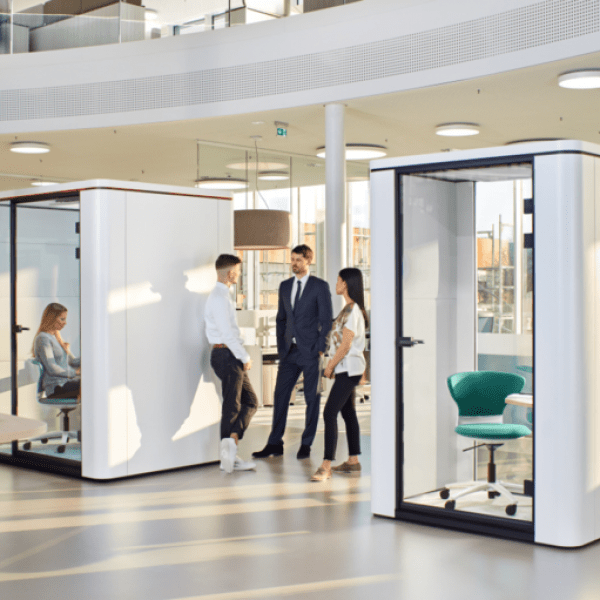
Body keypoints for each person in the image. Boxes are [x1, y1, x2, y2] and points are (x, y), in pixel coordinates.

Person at [253, 244, 333, 460]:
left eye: (298, 259)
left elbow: (326, 321)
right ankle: (274, 443)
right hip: (289, 352)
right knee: (280, 396)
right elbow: (281, 318)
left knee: (311, 398)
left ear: (308, 261)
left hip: (310, 352)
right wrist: (281, 347)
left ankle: (306, 444)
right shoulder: (285, 286)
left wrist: (321, 349)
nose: (293, 263)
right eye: (292, 259)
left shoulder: (320, 286)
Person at [311, 268, 368, 482]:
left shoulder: (353, 312)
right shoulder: (347, 309)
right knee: (348, 413)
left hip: (349, 369)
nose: (336, 283)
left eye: (338, 280)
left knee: (329, 413)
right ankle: (353, 461)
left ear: (345, 283)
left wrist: (330, 366)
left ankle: (326, 465)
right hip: (347, 369)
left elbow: (346, 345)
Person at [205, 254, 258, 474]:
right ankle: (228, 459)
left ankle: (233, 444)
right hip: (226, 355)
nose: (240, 274)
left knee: (251, 402)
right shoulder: (219, 298)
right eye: (238, 270)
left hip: (228, 355)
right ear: (230, 273)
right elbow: (227, 333)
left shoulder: (223, 296)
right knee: (232, 406)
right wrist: (244, 357)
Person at [33, 303, 81, 400]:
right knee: (91, 385)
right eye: (62, 319)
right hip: (56, 387)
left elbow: (72, 361)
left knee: (93, 383)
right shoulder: (43, 339)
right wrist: (75, 372)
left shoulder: (56, 338)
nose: (65, 323)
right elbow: (52, 368)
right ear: (52, 318)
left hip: (65, 383)